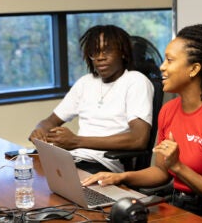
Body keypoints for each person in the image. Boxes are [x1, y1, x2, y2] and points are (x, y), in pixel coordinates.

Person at [82, 24, 202, 218]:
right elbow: (161, 171)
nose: (162, 66)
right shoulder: (169, 110)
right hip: (177, 203)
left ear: (194, 69)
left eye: (170, 60)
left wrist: (178, 166)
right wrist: (120, 177)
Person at [28, 25, 154, 174]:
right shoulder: (85, 82)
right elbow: (49, 121)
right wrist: (40, 130)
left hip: (103, 165)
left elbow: (138, 139)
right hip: (73, 159)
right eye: (95, 52)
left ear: (123, 53)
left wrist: (77, 141)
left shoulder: (136, 81)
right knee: (26, 175)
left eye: (107, 51)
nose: (100, 57)